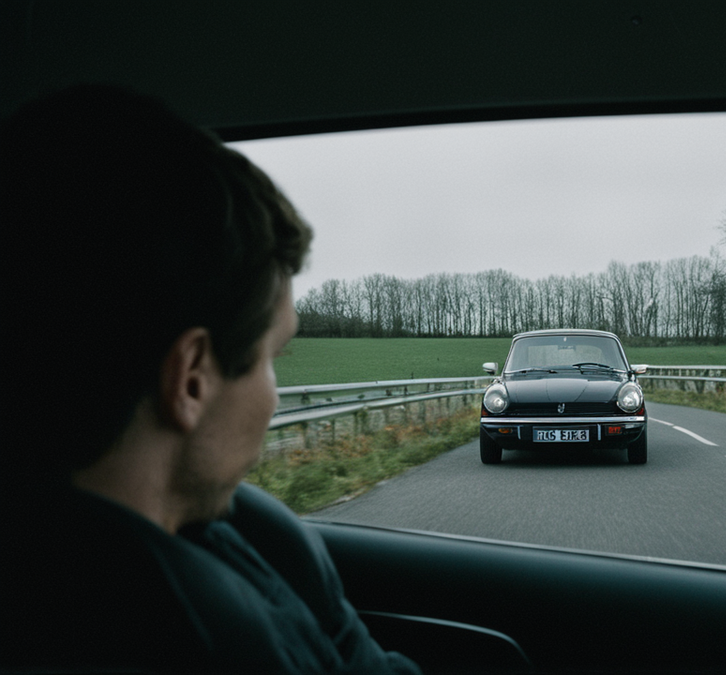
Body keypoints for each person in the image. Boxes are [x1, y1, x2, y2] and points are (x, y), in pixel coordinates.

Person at [0, 85, 421, 674]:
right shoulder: (211, 640)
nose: (274, 396)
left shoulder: (241, 538)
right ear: (192, 380)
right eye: (276, 355)